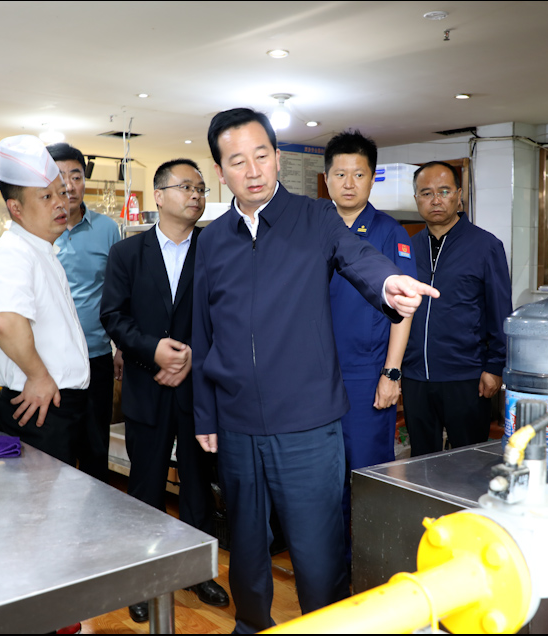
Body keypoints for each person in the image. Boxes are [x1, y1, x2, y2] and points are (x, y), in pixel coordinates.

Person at [191, 108, 439, 634]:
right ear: (220, 171)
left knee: (317, 551)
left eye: (262, 155)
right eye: (237, 161)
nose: (253, 170)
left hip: (308, 424)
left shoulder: (316, 218)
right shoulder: (211, 240)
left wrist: (388, 283)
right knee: (247, 546)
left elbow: (358, 257)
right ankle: (250, 624)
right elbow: (202, 331)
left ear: (278, 158)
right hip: (236, 425)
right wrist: (205, 413)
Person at [100, 158, 229, 622]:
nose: (196, 195)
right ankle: (143, 579)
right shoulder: (127, 254)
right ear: (158, 196)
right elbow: (113, 316)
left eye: (201, 188)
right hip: (147, 385)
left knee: (197, 486)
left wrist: (193, 354)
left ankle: (197, 572)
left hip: (199, 392)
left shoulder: (215, 249)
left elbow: (227, 314)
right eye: (186, 187)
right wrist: (152, 350)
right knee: (146, 486)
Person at [0, 135, 104, 474]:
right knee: (44, 503)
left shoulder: (39, 249)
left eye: (61, 192)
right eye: (46, 196)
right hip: (40, 406)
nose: (61, 202)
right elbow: (4, 320)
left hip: (56, 405)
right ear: (15, 208)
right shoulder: (13, 253)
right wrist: (39, 375)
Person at [323, 130, 415, 563]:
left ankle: (370, 567)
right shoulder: (311, 228)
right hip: (315, 375)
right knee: (323, 479)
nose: (348, 183)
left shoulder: (390, 232)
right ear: (326, 178)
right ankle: (332, 569)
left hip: (365, 374)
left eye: (358, 174)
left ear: (372, 178)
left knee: (366, 475)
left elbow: (405, 310)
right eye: (340, 174)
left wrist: (391, 373)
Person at [402, 161, 512, 456]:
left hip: (466, 376)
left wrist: (495, 366)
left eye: (444, 191)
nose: (435, 200)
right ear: (416, 199)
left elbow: (500, 310)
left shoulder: (485, 246)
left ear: (459, 195)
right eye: (426, 193)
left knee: (468, 460)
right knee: (421, 460)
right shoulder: (406, 248)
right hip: (415, 376)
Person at [46, 142, 122, 481]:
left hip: (96, 357)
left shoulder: (107, 229)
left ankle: (98, 513)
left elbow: (119, 292)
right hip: (51, 362)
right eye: (60, 176)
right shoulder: (38, 232)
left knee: (95, 450)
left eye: (76, 176)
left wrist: (120, 346)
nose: (69, 185)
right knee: (55, 452)